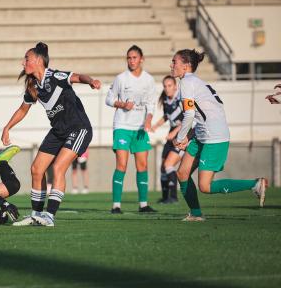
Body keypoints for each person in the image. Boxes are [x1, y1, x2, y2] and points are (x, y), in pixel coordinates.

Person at [1, 42, 101, 227]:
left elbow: (78, 76)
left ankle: (49, 217)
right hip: (58, 131)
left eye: (27, 59)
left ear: (38, 60)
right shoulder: (33, 86)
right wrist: (7, 127)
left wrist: (91, 81)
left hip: (78, 128)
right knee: (36, 169)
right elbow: (23, 110)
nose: (23, 63)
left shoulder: (55, 76)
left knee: (58, 169)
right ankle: (36, 215)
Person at [171, 49, 268, 222]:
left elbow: (190, 114)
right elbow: (202, 114)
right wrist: (188, 136)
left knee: (205, 186)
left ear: (186, 66)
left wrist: (179, 138)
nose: (171, 65)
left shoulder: (187, 82)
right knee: (182, 173)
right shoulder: (193, 81)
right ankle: (196, 214)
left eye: (174, 62)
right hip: (202, 134)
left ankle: (255, 184)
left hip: (214, 137)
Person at [105, 45, 157, 214]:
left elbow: (151, 104)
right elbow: (109, 98)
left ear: (141, 59)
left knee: (142, 165)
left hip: (140, 128)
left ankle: (143, 205)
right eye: (129, 57)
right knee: (122, 164)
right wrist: (121, 104)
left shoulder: (149, 80)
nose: (131, 60)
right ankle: (116, 206)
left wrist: (148, 120)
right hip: (122, 126)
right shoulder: (121, 78)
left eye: (134, 57)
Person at [150, 75, 194, 204]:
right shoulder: (166, 101)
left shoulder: (181, 99)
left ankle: (174, 197)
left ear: (175, 86)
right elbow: (167, 116)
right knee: (163, 167)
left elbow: (188, 120)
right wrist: (156, 125)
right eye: (165, 86)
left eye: (169, 85)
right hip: (171, 135)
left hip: (182, 136)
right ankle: (165, 197)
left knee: (169, 165)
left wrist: (174, 133)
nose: (167, 88)